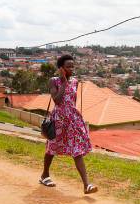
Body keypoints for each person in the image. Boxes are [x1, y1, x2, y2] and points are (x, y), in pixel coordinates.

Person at [39, 54, 98, 194]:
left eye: (72, 66)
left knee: (77, 151)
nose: (71, 68)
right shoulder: (53, 81)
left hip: (72, 120)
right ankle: (44, 175)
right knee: (51, 148)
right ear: (61, 68)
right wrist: (64, 82)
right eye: (68, 66)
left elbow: (71, 101)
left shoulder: (75, 82)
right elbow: (57, 101)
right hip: (58, 120)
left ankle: (86, 185)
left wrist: (75, 118)